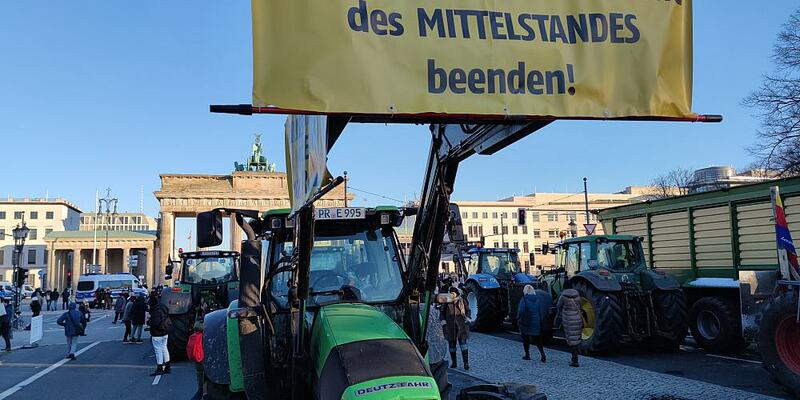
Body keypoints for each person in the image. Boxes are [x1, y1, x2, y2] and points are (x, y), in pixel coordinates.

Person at [440, 286, 471, 370]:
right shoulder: (446, 302)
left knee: (463, 344)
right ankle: (454, 362)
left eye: (453, 293)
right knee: (452, 345)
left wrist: (467, 319)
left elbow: (468, 310)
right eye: (450, 293)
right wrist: (443, 322)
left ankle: (466, 363)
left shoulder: (462, 301)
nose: (451, 295)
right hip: (450, 326)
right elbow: (442, 313)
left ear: (457, 294)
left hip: (462, 326)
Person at [517, 285, 546, 362]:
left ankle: (527, 355)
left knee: (526, 339)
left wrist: (519, 318)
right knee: (537, 340)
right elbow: (540, 310)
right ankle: (543, 355)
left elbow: (521, 310)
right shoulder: (537, 299)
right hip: (536, 321)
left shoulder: (524, 299)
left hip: (526, 322)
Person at [556, 288, 583, 367]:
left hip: (568, 319)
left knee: (571, 340)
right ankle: (576, 357)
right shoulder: (577, 295)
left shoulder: (563, 296)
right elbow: (580, 306)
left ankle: (575, 361)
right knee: (576, 338)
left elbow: (559, 306)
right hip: (577, 318)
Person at [147, 296, 172, 376]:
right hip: (165, 332)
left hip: (157, 333)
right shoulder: (163, 308)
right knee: (164, 348)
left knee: (158, 350)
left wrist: (148, 322)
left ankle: (160, 368)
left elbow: (155, 323)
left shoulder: (155, 311)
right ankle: (167, 366)